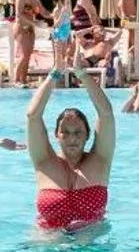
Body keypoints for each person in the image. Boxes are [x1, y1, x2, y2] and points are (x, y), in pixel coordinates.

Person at [27, 69, 116, 234]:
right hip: (47, 246)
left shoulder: (100, 160)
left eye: (77, 132)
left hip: (92, 246)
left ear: (88, 135)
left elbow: (106, 114)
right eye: (65, 133)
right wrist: (53, 75)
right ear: (56, 135)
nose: (72, 138)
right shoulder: (44, 162)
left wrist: (82, 74)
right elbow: (33, 116)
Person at [12, 0, 49, 85]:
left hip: (29, 27)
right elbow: (18, 15)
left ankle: (23, 80)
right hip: (21, 27)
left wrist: (58, 15)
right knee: (23, 54)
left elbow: (44, 12)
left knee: (28, 54)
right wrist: (34, 24)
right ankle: (16, 80)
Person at [50, 0, 76, 78]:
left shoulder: (66, 9)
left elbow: (67, 22)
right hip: (58, 35)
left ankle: (63, 76)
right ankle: (55, 77)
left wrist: (69, 35)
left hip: (65, 34)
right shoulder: (57, 10)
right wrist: (62, 14)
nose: (68, 1)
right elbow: (56, 24)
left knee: (65, 55)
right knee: (58, 57)